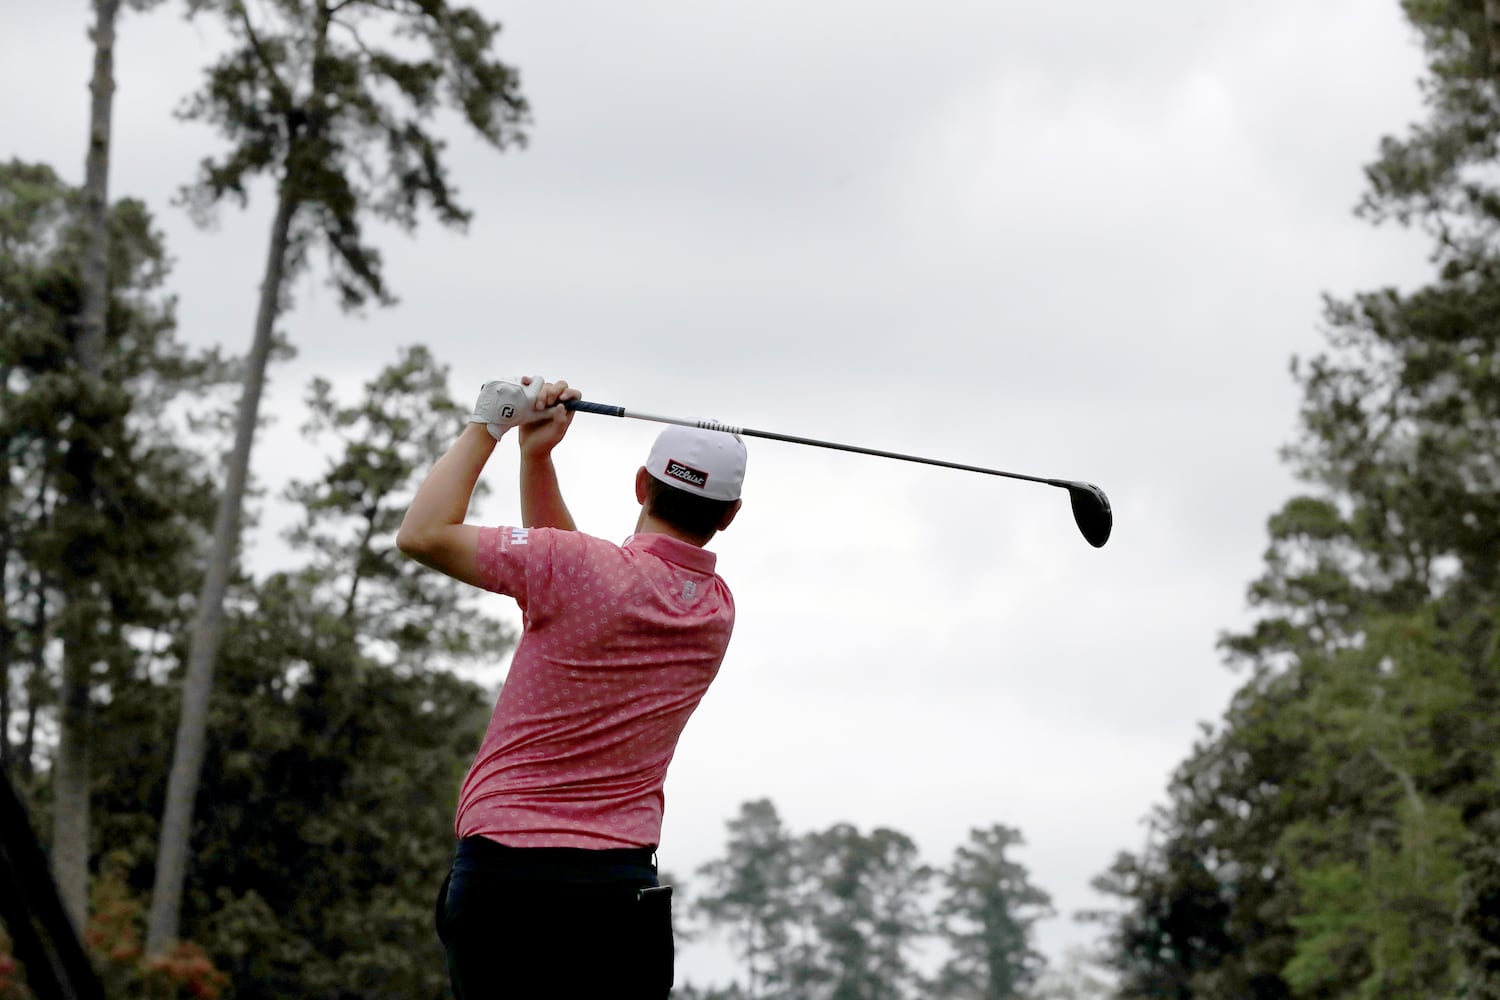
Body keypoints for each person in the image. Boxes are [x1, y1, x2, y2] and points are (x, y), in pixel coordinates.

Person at [396, 375, 747, 999]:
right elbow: (578, 572)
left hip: (504, 878)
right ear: (729, 516)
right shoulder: (716, 612)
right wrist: (537, 459)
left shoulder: (581, 572)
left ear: (641, 484)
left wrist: (489, 426)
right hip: (619, 893)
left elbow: (422, 535)